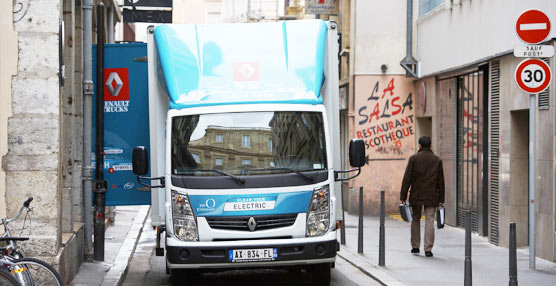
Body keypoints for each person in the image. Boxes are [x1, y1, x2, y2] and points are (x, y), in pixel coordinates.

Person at [400, 136, 445, 257]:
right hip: (431, 195)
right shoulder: (437, 160)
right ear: (430, 145)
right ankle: (428, 248)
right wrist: (441, 199)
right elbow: (441, 181)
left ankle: (415, 246)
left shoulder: (414, 159)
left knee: (415, 219)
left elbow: (407, 178)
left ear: (419, 145)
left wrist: (403, 195)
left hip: (417, 194)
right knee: (430, 220)